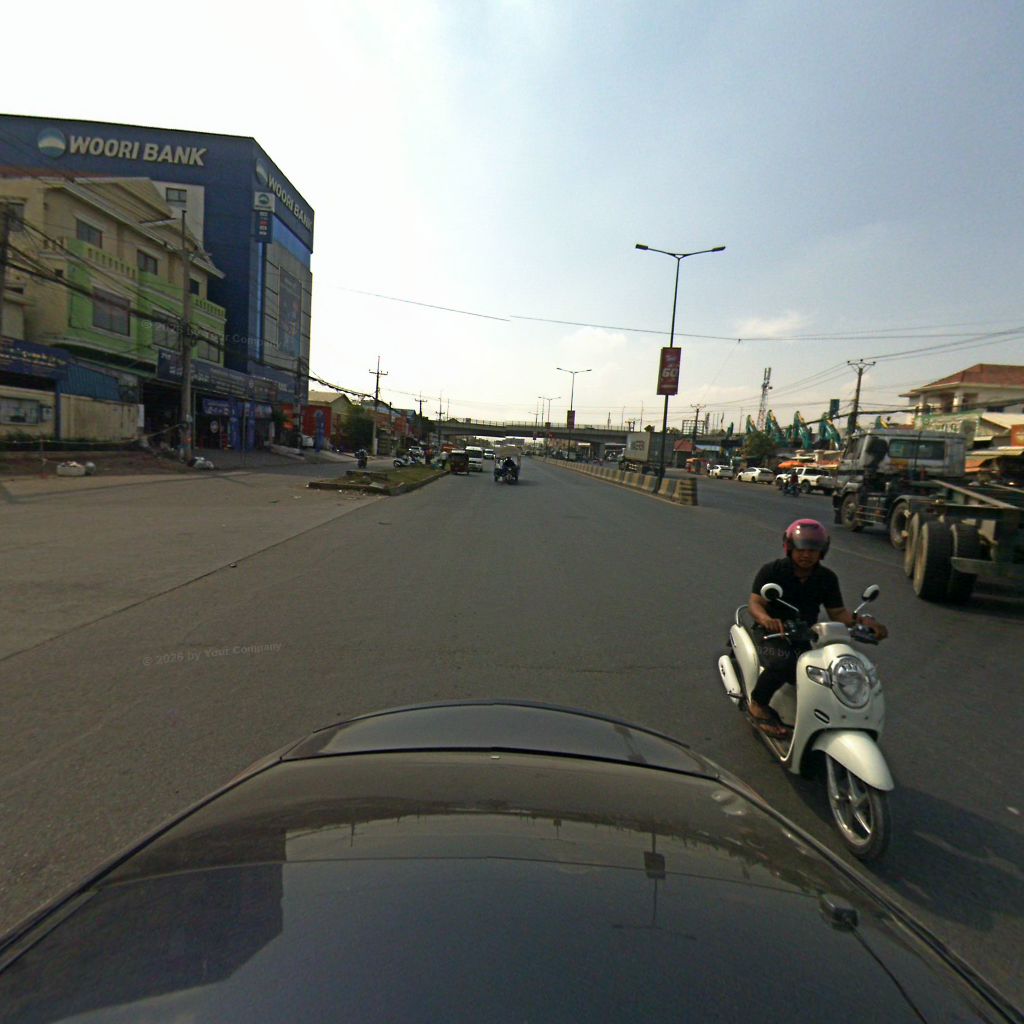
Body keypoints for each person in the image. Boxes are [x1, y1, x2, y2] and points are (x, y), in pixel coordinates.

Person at [746, 519, 888, 737]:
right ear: (790, 548)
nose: (807, 555)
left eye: (813, 550)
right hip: (772, 632)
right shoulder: (773, 571)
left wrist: (863, 622)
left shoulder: (826, 578)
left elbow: (837, 613)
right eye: (801, 549)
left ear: (822, 552)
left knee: (824, 671)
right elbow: (755, 603)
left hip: (804, 633)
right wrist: (766, 619)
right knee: (784, 663)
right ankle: (758, 703)